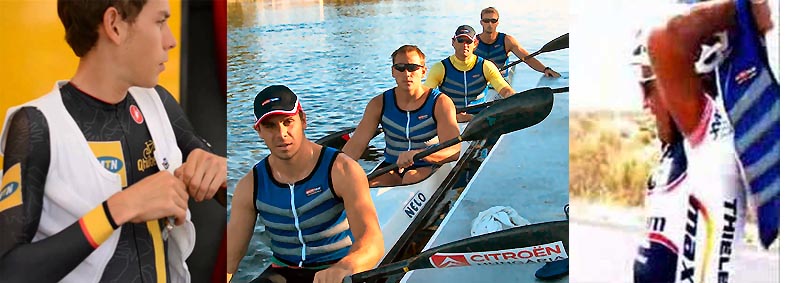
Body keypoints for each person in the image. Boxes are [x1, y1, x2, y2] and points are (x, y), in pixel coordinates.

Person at [0, 0, 227, 282]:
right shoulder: (37, 124)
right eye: (159, 22)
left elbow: (222, 186)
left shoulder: (159, 103)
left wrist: (221, 174)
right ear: (115, 25)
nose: (171, 40)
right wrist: (119, 208)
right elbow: (8, 269)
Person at [630, 1, 774, 281]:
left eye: (648, 87)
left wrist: (742, 8)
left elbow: (666, 37)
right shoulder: (674, 150)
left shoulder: (714, 144)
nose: (644, 103)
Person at [226, 85, 384, 283]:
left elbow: (373, 242)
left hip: (337, 268)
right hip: (283, 272)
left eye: (288, 122)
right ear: (259, 131)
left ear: (303, 120)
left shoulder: (342, 170)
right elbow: (229, 259)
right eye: (270, 126)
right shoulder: (250, 185)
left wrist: (344, 267)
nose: (281, 134)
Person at [342, 45, 461, 186]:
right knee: (368, 185)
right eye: (400, 68)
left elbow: (454, 151)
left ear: (423, 71)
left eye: (412, 68)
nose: (406, 74)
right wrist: (331, 170)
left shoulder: (440, 102)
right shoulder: (378, 104)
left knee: (410, 177)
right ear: (393, 71)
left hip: (427, 165)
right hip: (392, 166)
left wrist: (418, 154)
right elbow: (355, 146)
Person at [424, 25, 516, 123]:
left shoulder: (486, 66)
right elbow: (423, 97)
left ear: (475, 43)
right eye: (460, 40)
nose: (465, 45)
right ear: (453, 42)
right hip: (450, 117)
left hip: (479, 117)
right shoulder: (440, 68)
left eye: (468, 41)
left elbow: (505, 90)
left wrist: (514, 98)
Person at [474, 7, 561, 78]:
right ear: (481, 22)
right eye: (486, 21)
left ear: (497, 23)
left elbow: (527, 58)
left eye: (493, 21)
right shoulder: (472, 42)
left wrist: (545, 69)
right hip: (479, 79)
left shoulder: (507, 41)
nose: (490, 24)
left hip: (500, 80)